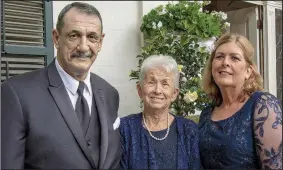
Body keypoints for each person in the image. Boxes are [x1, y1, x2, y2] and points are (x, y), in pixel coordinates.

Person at [1, 2, 120, 169]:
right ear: (56, 38)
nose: (83, 47)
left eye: (92, 37)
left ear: (100, 42)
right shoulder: (17, 94)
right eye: (74, 35)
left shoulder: (109, 93)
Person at [199, 32, 282, 169]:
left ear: (248, 71)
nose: (225, 62)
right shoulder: (206, 113)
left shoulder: (262, 106)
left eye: (234, 58)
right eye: (219, 57)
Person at [119, 55, 201, 169]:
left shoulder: (189, 130)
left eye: (165, 84)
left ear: (174, 94)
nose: (158, 90)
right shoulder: (123, 129)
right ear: (140, 90)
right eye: (151, 82)